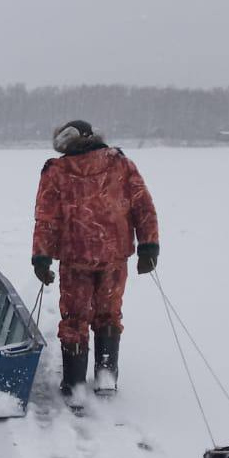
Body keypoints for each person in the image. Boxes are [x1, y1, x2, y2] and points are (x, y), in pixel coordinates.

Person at [31, 120, 159, 404]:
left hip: (75, 257)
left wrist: (41, 256)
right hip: (114, 254)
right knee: (109, 312)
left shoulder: (56, 170)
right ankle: (105, 376)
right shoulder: (121, 163)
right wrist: (149, 245)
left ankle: (75, 385)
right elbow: (143, 205)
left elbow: (46, 217)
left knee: (75, 318)